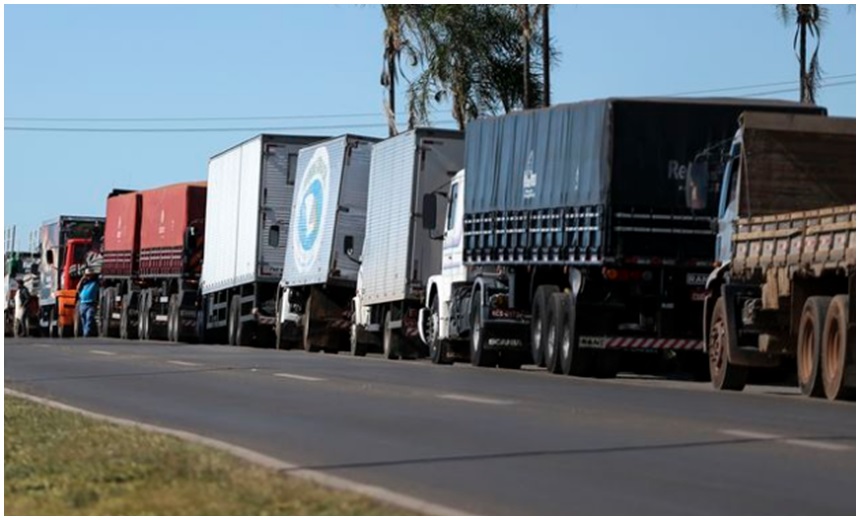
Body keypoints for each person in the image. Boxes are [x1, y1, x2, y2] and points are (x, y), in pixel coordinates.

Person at [77, 268, 99, 337]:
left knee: (89, 317)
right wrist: (82, 279)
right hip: (83, 303)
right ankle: (85, 331)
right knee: (83, 318)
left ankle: (87, 333)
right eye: (87, 275)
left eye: (89, 275)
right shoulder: (83, 282)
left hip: (91, 303)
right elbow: (77, 288)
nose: (88, 277)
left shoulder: (95, 282)